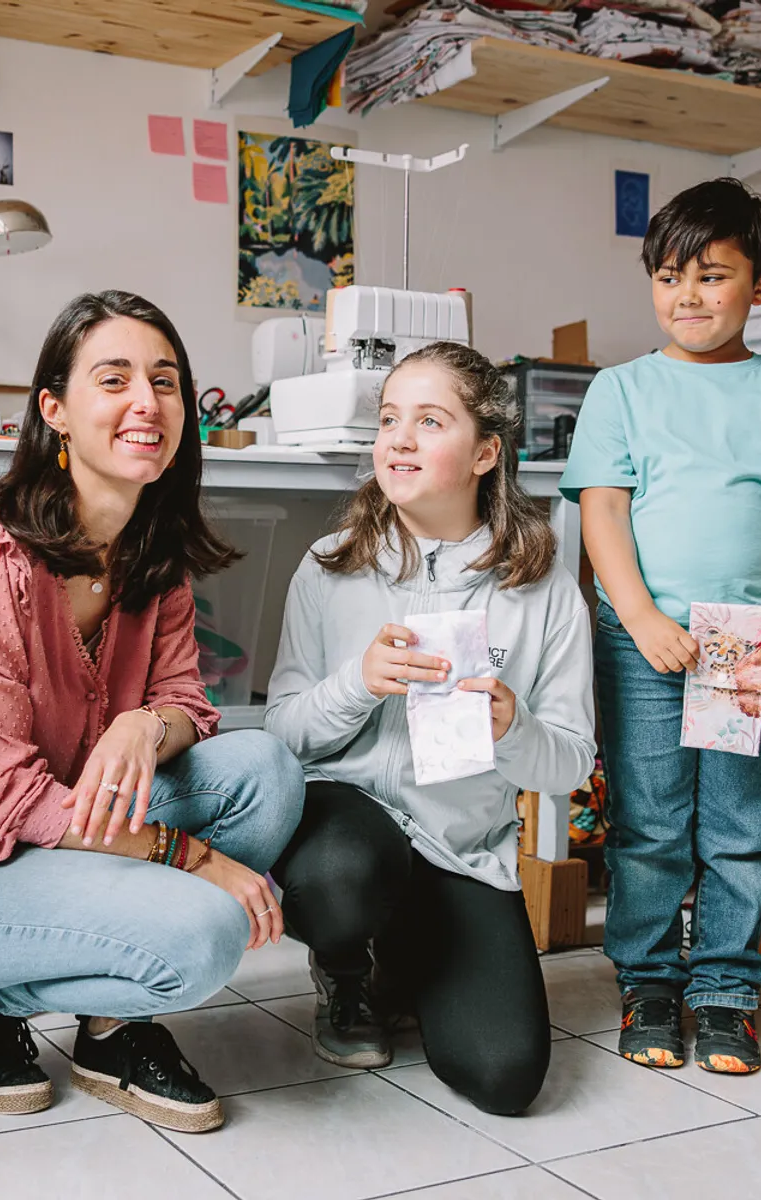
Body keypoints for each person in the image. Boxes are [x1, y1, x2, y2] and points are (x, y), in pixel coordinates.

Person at [0, 290, 305, 1135]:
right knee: (204, 935)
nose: (148, 402)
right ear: (54, 410)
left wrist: (141, 726)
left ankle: (108, 1030)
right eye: (115, 379)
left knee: (266, 772)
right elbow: (5, 802)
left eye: (165, 381)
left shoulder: (152, 552)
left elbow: (186, 706)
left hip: (59, 842)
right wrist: (193, 858)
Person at [265, 341, 594, 1116]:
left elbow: (572, 763)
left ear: (485, 453)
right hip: (346, 831)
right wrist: (357, 684)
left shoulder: (542, 589)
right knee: (343, 878)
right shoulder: (329, 565)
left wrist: (513, 728)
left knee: (505, 1077)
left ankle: (401, 964)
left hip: (460, 848)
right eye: (389, 420)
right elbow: (281, 736)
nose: (400, 440)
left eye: (430, 421)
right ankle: (345, 969)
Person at [560, 177, 761, 1075]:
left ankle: (725, 988)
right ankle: (648, 982)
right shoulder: (621, 389)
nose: (688, 296)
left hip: (741, 642)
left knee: (735, 825)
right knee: (648, 823)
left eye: (712, 276)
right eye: (669, 276)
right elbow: (603, 511)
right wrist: (639, 615)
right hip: (644, 641)